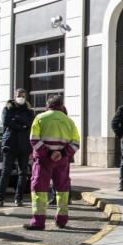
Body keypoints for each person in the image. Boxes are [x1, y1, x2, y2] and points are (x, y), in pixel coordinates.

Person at [24, 95, 79, 230]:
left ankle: (38, 222)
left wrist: (49, 153)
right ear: (61, 106)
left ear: (48, 105)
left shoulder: (40, 118)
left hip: (43, 160)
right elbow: (76, 143)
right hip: (62, 161)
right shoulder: (69, 121)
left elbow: (34, 139)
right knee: (62, 190)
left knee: (39, 189)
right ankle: (61, 220)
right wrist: (62, 153)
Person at [0, 88, 34, 207]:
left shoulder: (28, 110)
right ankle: (0, 198)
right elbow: (6, 122)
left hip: (24, 145)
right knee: (5, 172)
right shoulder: (8, 107)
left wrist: (17, 119)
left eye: (23, 95)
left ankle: (19, 198)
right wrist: (22, 125)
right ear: (15, 95)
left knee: (23, 173)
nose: (21, 97)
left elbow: (31, 122)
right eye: (19, 95)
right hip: (10, 144)